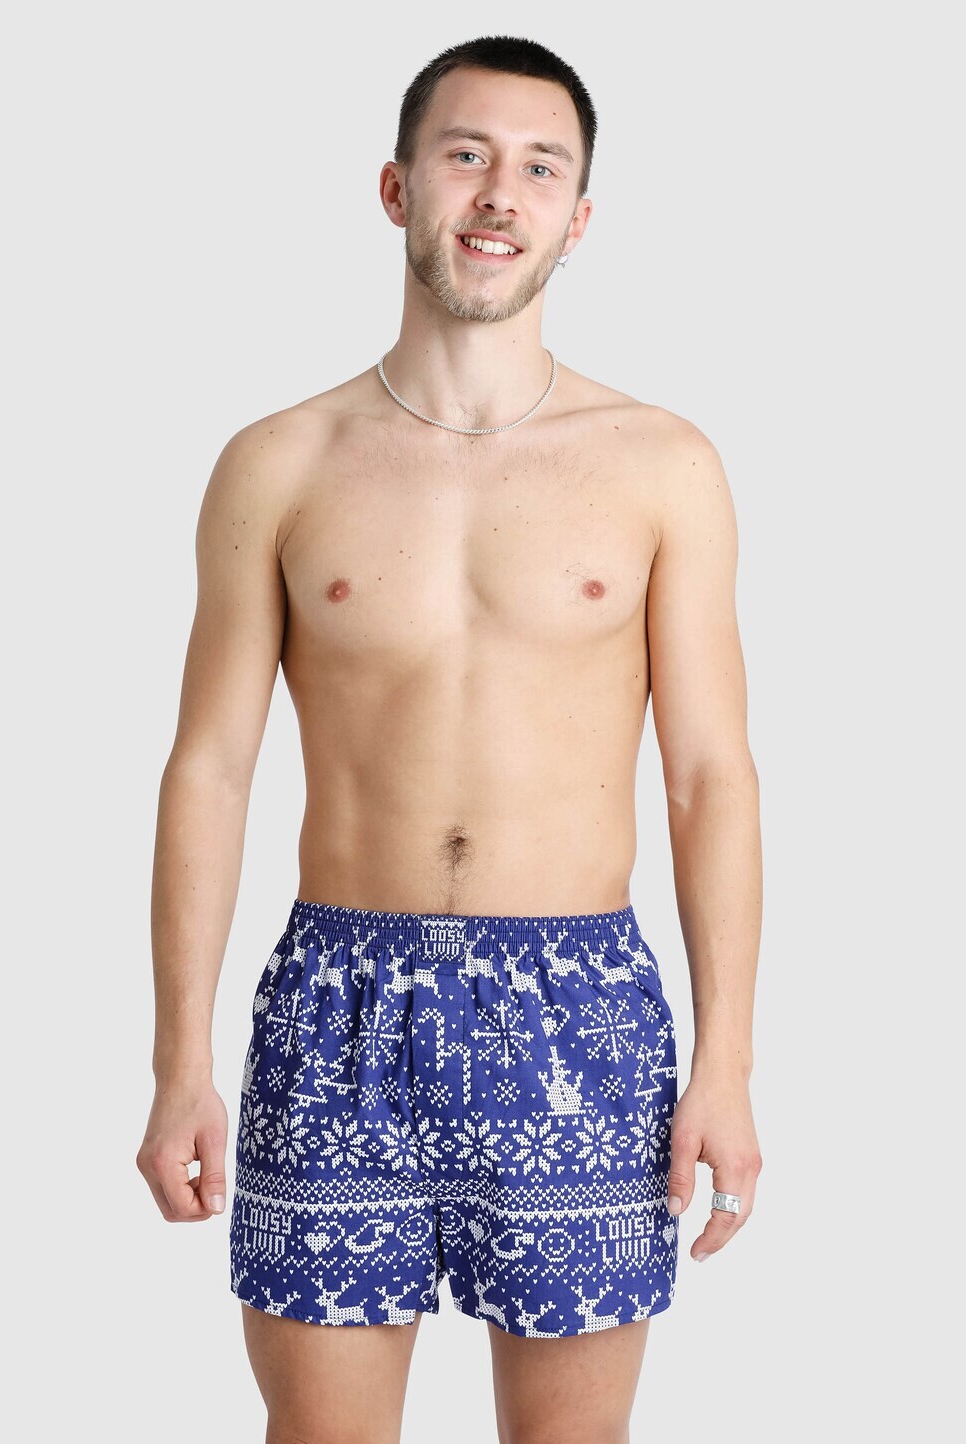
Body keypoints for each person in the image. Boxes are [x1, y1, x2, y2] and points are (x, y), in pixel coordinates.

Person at [137, 33, 763, 1444]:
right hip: (338, 1006)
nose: (499, 194)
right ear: (397, 186)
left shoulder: (662, 464)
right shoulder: (279, 462)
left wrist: (725, 1062)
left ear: (579, 218)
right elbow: (210, 768)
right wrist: (179, 1060)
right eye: (466, 155)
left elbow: (709, 777)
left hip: (580, 1011)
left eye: (540, 168)